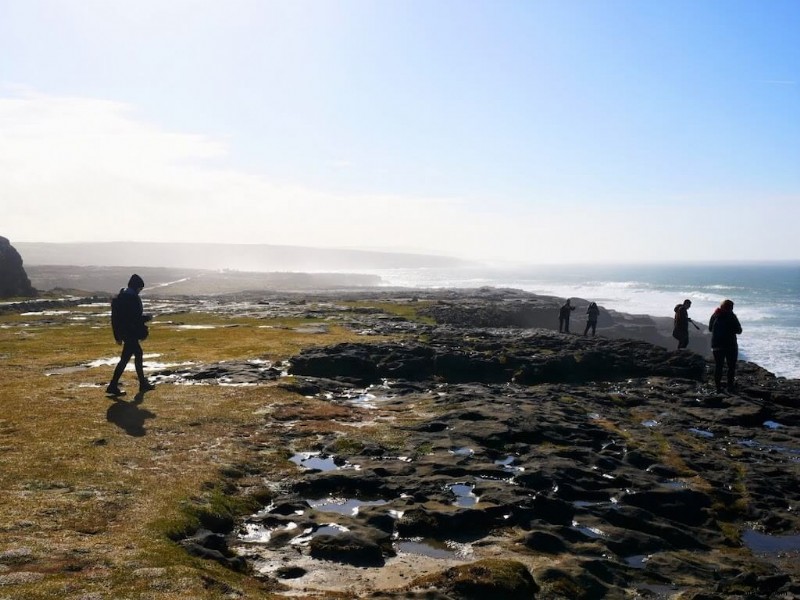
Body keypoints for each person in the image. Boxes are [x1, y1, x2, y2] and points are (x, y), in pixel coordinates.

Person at [106, 274, 155, 396]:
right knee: (132, 356)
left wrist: (117, 336)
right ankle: (138, 384)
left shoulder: (121, 298)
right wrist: (146, 318)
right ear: (137, 287)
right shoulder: (131, 299)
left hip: (125, 333)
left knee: (129, 357)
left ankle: (116, 385)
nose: (140, 291)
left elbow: (115, 319)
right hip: (130, 333)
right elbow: (133, 318)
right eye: (140, 288)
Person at [708, 299, 742, 393]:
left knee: (719, 366)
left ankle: (718, 387)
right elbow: (739, 330)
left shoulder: (715, 315)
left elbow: (710, 329)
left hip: (716, 345)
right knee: (731, 367)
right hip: (730, 345)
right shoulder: (731, 316)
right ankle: (730, 386)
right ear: (730, 307)